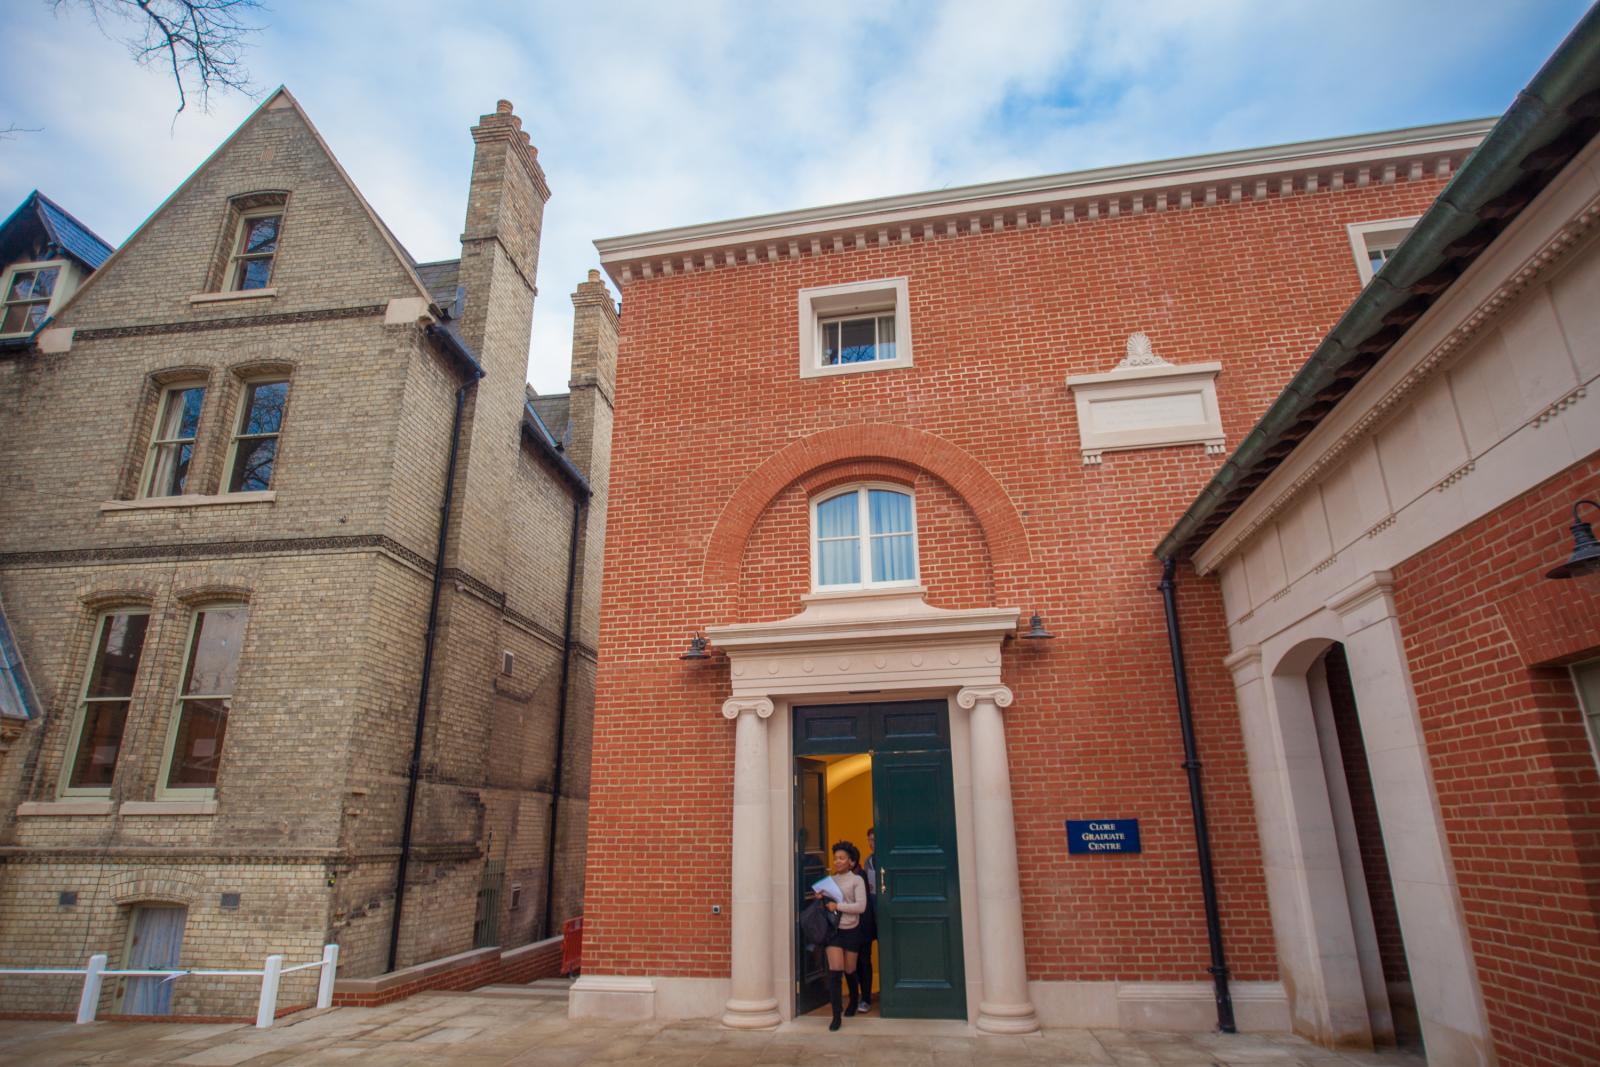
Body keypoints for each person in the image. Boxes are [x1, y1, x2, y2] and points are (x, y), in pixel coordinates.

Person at [816, 840, 868, 1031]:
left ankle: (854, 999)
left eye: (842, 858)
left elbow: (861, 907)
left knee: (849, 969)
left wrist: (838, 906)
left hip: (852, 930)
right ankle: (836, 1015)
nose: (837, 861)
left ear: (851, 861)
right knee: (835, 971)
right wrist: (822, 899)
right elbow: (827, 908)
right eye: (835, 858)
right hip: (834, 932)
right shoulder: (830, 881)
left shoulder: (857, 880)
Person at [856, 827, 877, 1012]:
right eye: (870, 839)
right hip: (870, 915)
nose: (872, 842)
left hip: (887, 912)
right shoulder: (867, 862)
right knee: (865, 956)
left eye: (875, 839)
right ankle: (866, 998)